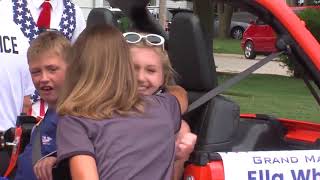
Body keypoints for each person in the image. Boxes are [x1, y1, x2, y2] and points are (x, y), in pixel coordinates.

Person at [55, 24, 183, 180]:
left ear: (76, 66)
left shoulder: (75, 120)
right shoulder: (163, 107)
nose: (140, 77)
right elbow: (180, 95)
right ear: (125, 66)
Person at [0, 0, 85, 131]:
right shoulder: (7, 6)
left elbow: (80, 64)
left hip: (61, 111)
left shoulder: (74, 12)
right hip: (20, 111)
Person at [124, 32, 197, 180]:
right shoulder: (104, 103)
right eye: (133, 68)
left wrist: (177, 156)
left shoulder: (175, 121)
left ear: (163, 76)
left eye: (150, 70)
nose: (140, 78)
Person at [14, 31, 71, 180]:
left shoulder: (81, 117)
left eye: (52, 69)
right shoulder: (48, 118)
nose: (43, 78)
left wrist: (62, 161)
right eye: (36, 72)